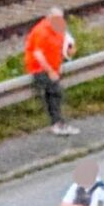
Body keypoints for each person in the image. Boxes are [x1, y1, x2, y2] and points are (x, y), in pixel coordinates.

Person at [25, 7, 79, 136]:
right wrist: (50, 71)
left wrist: (69, 51)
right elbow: (38, 54)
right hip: (40, 69)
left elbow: (67, 41)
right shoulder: (41, 31)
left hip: (52, 67)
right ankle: (58, 124)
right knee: (55, 93)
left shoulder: (57, 27)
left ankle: (58, 123)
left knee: (54, 94)